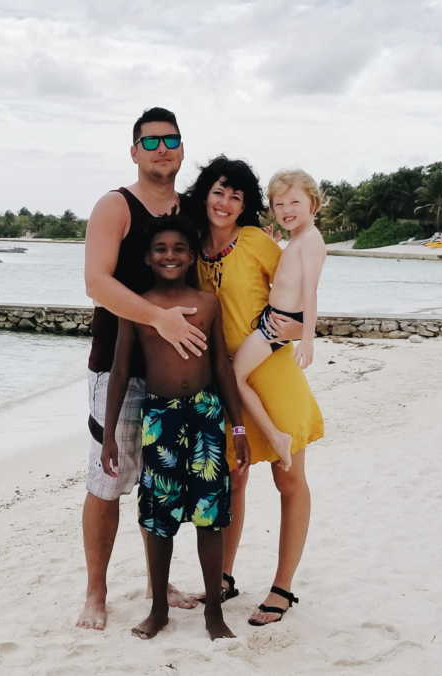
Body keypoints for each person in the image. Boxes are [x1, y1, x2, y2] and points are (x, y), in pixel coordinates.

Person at [78, 107, 207, 631]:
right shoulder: (116, 206)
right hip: (118, 368)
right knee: (107, 482)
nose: (161, 149)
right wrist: (159, 319)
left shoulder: (194, 211)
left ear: (182, 148)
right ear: (133, 151)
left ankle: (158, 582)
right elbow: (96, 283)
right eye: (149, 142)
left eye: (170, 140)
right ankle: (96, 592)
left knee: (163, 483)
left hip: (178, 373)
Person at [185, 156, 324, 626]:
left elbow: (294, 292)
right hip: (223, 383)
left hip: (273, 373)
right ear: (205, 194)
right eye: (218, 192)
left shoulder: (257, 242)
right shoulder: (194, 247)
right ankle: (223, 578)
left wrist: (295, 330)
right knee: (232, 479)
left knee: (288, 479)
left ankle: (283, 587)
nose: (224, 203)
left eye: (236, 196)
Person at [101, 217, 249, 640]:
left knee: (210, 516)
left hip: (205, 415)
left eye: (179, 248)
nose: (170, 255)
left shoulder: (207, 302)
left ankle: (214, 612)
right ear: (148, 257)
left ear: (191, 256)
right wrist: (109, 433)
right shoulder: (138, 305)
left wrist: (237, 428)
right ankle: (159, 609)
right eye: (161, 249)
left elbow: (221, 365)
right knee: (158, 517)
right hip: (160, 418)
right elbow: (121, 369)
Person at [231, 169, 327, 472]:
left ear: (313, 202)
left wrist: (307, 339)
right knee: (237, 375)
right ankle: (273, 434)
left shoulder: (311, 241)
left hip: (277, 325)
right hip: (272, 320)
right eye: (279, 205)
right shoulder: (298, 239)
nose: (286, 211)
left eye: (294, 203)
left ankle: (276, 436)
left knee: (235, 377)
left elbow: (310, 292)